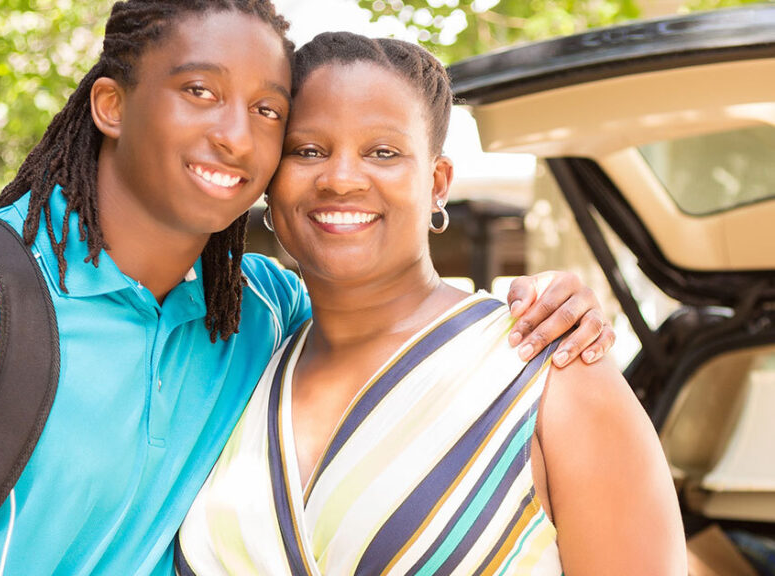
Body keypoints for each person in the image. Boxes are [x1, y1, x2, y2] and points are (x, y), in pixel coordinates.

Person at [0, 4, 613, 575]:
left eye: (269, 110)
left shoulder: (257, 317)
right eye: (199, 91)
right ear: (109, 103)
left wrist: (547, 303)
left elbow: (383, 309)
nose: (235, 135)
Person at [176, 32, 685, 575]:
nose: (341, 178)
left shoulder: (548, 366)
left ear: (437, 182)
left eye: (383, 152)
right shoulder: (241, 359)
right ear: (270, 183)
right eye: (307, 150)